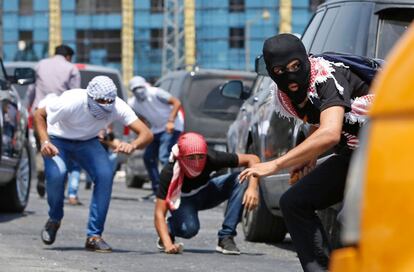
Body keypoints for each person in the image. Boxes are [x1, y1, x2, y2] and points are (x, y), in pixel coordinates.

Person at [239, 33, 374, 271]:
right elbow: (318, 119)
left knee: (351, 218)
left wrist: (275, 164)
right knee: (294, 202)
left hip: (387, 153)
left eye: (295, 66)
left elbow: (331, 132)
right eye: (280, 71)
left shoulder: (326, 78)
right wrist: (308, 155)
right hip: (356, 155)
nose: (291, 76)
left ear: (305, 60)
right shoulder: (288, 94)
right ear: (271, 72)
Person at [34, 76, 153, 253]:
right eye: (100, 101)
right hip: (58, 140)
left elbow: (146, 134)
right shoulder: (71, 100)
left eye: (108, 101)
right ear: (89, 97)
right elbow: (39, 115)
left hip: (87, 142)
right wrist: (44, 142)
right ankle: (54, 218)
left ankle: (94, 236)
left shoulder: (118, 105)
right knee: (58, 174)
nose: (105, 104)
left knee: (105, 175)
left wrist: (133, 145)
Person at [154, 132, 260, 255]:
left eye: (200, 157)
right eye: (191, 158)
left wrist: (252, 188)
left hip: (207, 191)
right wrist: (168, 244)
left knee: (241, 179)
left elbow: (253, 159)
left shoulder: (211, 157)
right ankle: (169, 229)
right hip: (183, 200)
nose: (197, 162)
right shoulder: (169, 172)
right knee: (189, 229)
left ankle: (226, 237)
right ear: (181, 157)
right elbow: (159, 213)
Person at [27, 44, 81, 198]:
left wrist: (27, 109)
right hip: (61, 115)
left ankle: (42, 172)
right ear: (69, 56)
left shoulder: (40, 65)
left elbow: (31, 90)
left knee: (41, 146)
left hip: (39, 112)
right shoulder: (71, 68)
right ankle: (57, 186)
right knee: (61, 150)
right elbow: (75, 95)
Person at [128, 76, 183, 199]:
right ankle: (158, 189)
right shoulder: (132, 103)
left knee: (164, 156)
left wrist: (170, 121)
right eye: (135, 89)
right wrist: (144, 133)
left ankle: (170, 190)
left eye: (140, 87)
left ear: (145, 85)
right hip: (156, 128)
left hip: (172, 125)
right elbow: (140, 118)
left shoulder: (156, 92)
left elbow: (176, 102)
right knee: (148, 157)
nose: (139, 91)